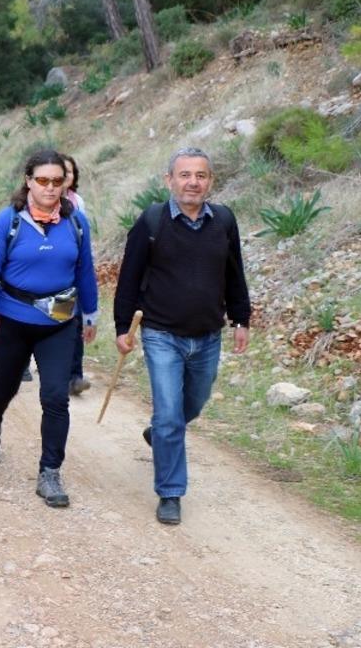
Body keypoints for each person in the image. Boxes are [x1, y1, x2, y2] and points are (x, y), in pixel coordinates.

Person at [113, 147, 250, 526]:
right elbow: (128, 279)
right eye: (185, 175)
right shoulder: (152, 222)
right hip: (162, 335)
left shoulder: (223, 220)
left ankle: (160, 434)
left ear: (211, 182)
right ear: (169, 180)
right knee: (170, 414)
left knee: (194, 403)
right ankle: (170, 492)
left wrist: (242, 319)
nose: (193, 182)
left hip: (208, 335)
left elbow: (235, 273)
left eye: (201, 175)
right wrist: (122, 327)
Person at [0, 149, 97, 509]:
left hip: (59, 323)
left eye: (58, 181)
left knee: (55, 397)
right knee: (3, 389)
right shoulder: (7, 221)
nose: (50, 188)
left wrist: (90, 315)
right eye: (42, 180)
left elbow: (84, 271)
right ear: (28, 181)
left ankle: (49, 473)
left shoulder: (76, 223)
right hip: (12, 319)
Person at [59, 153, 91, 397]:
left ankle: (74, 376)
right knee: (60, 323)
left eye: (69, 172)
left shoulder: (77, 202)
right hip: (56, 280)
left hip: (74, 276)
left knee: (75, 324)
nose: (66, 177)